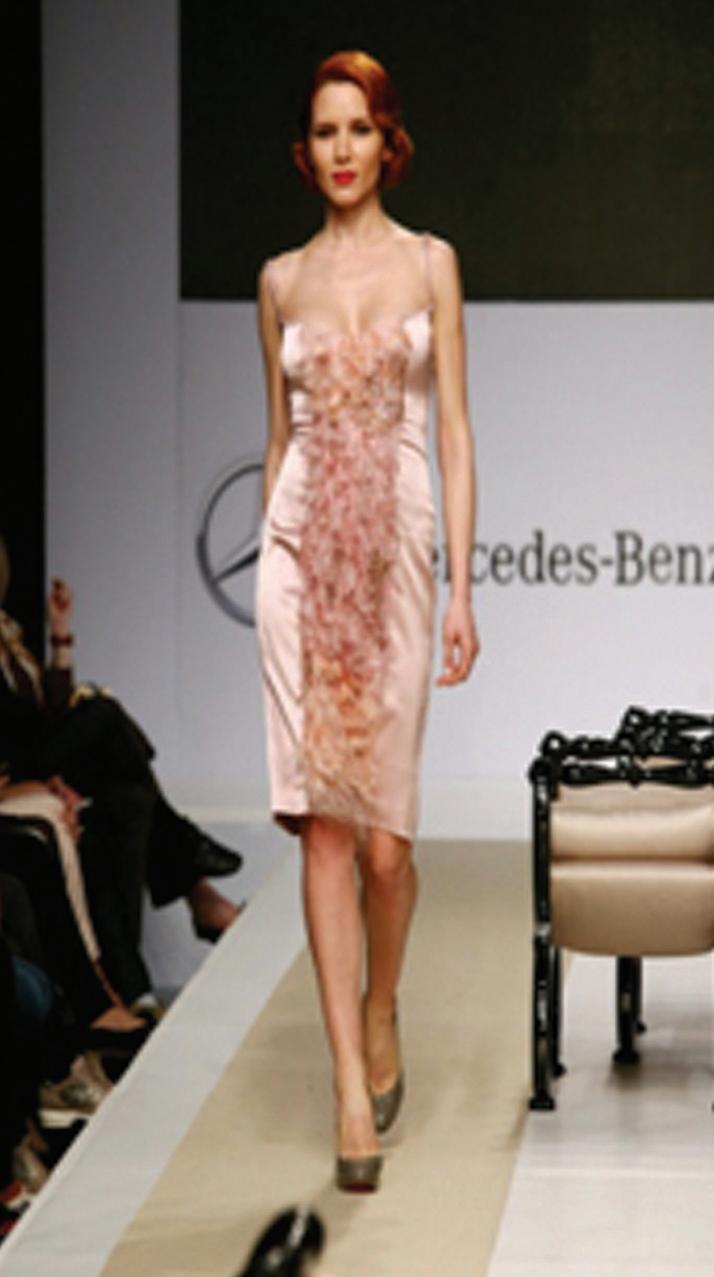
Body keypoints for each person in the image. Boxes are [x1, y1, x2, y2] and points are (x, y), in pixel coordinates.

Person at [256, 50, 479, 1191]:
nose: (341, 149)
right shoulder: (279, 280)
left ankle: (380, 999)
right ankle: (349, 1086)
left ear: (388, 140)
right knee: (324, 829)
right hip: (302, 555)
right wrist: (272, 568)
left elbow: (453, 434)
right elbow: (277, 442)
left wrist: (462, 585)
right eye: (323, 131)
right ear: (306, 152)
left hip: (394, 550)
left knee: (388, 848)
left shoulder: (432, 263)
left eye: (358, 128)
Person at [0, 536, 244, 1006]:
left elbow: (49, 711)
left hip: (39, 761)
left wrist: (60, 635)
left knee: (129, 799)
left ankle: (133, 989)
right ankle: (192, 876)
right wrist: (39, 784)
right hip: (19, 773)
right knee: (105, 714)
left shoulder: (8, 633)